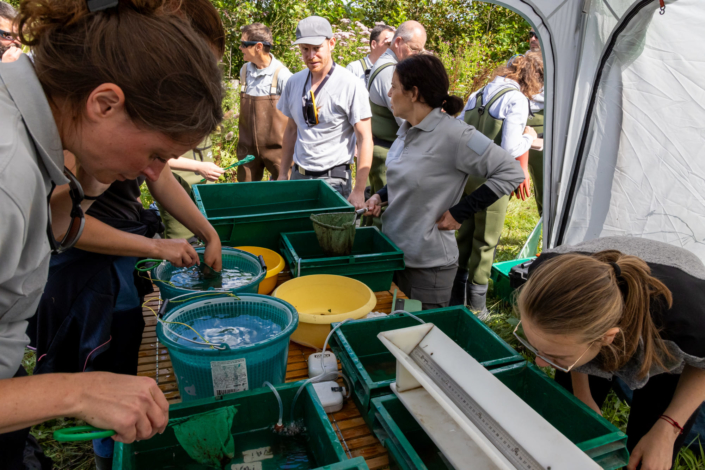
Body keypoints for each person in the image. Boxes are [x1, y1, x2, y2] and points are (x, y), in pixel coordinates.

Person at [0, 0, 223, 465]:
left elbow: (57, 224)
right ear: (104, 103)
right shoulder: (6, 178)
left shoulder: (37, 135)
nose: (155, 172)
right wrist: (75, 392)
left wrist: (96, 175)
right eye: (156, 153)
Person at [516, 237, 705, 470]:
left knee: (652, 446)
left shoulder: (689, 321)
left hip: (674, 314)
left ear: (607, 337)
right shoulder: (545, 280)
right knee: (572, 421)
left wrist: (669, 426)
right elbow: (569, 342)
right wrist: (582, 395)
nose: (539, 362)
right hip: (592, 311)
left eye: (555, 356)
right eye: (537, 347)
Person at [364, 55, 524, 310]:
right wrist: (379, 197)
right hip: (394, 255)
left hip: (428, 266)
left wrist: (461, 212)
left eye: (394, 86)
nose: (389, 92)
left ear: (414, 93)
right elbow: (409, 177)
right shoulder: (406, 129)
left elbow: (511, 172)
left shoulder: (456, 135)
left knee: (423, 337)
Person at [450, 52, 543, 316]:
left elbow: (459, 131)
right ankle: (478, 308)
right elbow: (510, 147)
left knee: (464, 236)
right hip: (493, 180)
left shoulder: (478, 93)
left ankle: (455, 297)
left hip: (466, 175)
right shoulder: (516, 99)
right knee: (486, 242)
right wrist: (531, 136)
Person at [277, 16, 373, 209]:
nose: (311, 55)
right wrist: (282, 174)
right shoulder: (294, 82)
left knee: (329, 238)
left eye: (316, 48)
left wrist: (359, 190)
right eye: (305, 49)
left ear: (332, 43)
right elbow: (290, 131)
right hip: (299, 175)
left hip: (334, 180)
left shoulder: (350, 84)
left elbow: (365, 138)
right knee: (297, 234)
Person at [364, 20, 426, 227]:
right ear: (399, 42)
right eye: (415, 49)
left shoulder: (390, 66)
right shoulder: (388, 71)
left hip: (389, 150)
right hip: (386, 153)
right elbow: (408, 119)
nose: (418, 54)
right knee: (384, 216)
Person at [236, 22, 293, 182]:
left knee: (283, 195)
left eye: (244, 44)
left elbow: (295, 118)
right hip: (247, 151)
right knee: (246, 196)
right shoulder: (244, 71)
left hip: (277, 152)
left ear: (258, 47)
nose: (240, 48)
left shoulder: (282, 75)